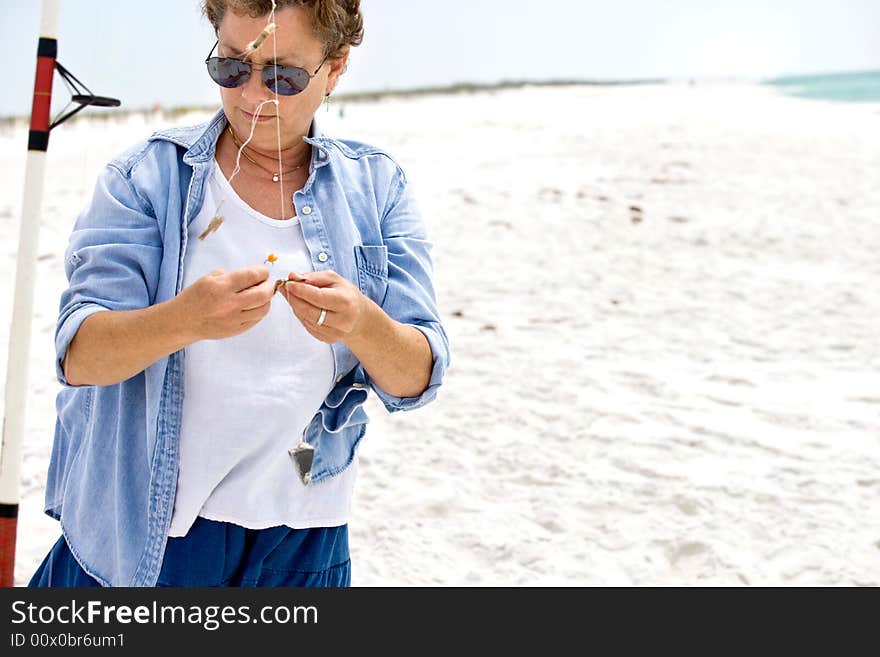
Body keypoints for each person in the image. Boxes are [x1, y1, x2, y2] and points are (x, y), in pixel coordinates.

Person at [28, 0, 449, 587]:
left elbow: (416, 379)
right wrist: (185, 319)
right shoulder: (145, 179)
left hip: (305, 537)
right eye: (230, 67)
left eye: (283, 76)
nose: (252, 95)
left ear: (336, 68)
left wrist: (361, 323)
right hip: (149, 536)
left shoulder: (377, 188)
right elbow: (79, 355)